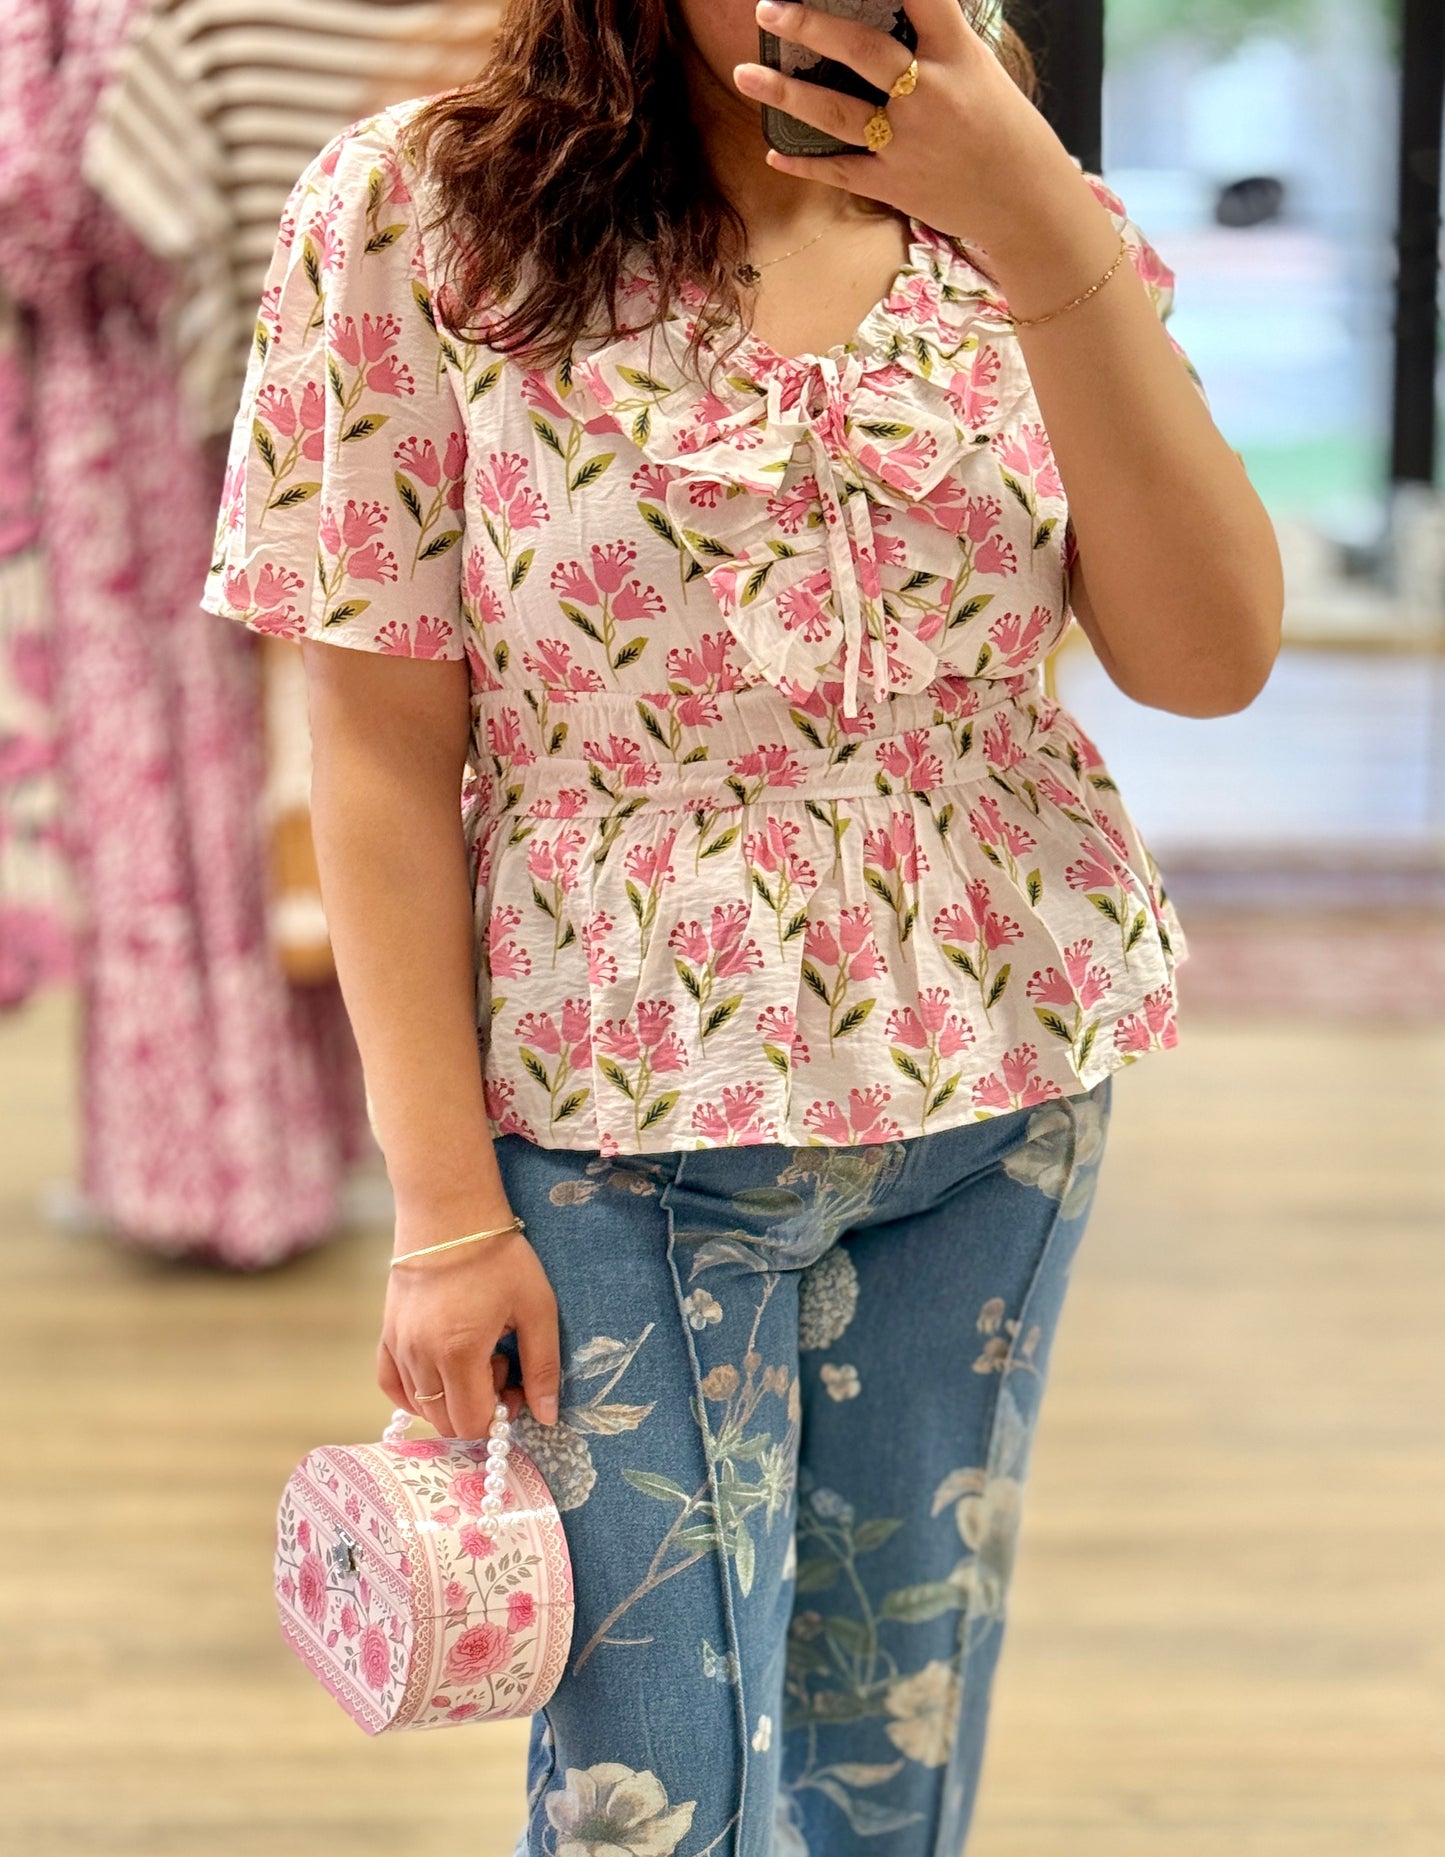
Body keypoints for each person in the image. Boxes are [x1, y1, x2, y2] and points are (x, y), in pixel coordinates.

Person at [201, 0, 1283, 1849]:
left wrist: (1031, 217)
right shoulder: (416, 215)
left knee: (896, 1750)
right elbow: (376, 756)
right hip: (607, 1128)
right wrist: (444, 1216)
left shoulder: (1023, 219)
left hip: (996, 1089)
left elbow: (1205, 657)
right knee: (648, 1795)